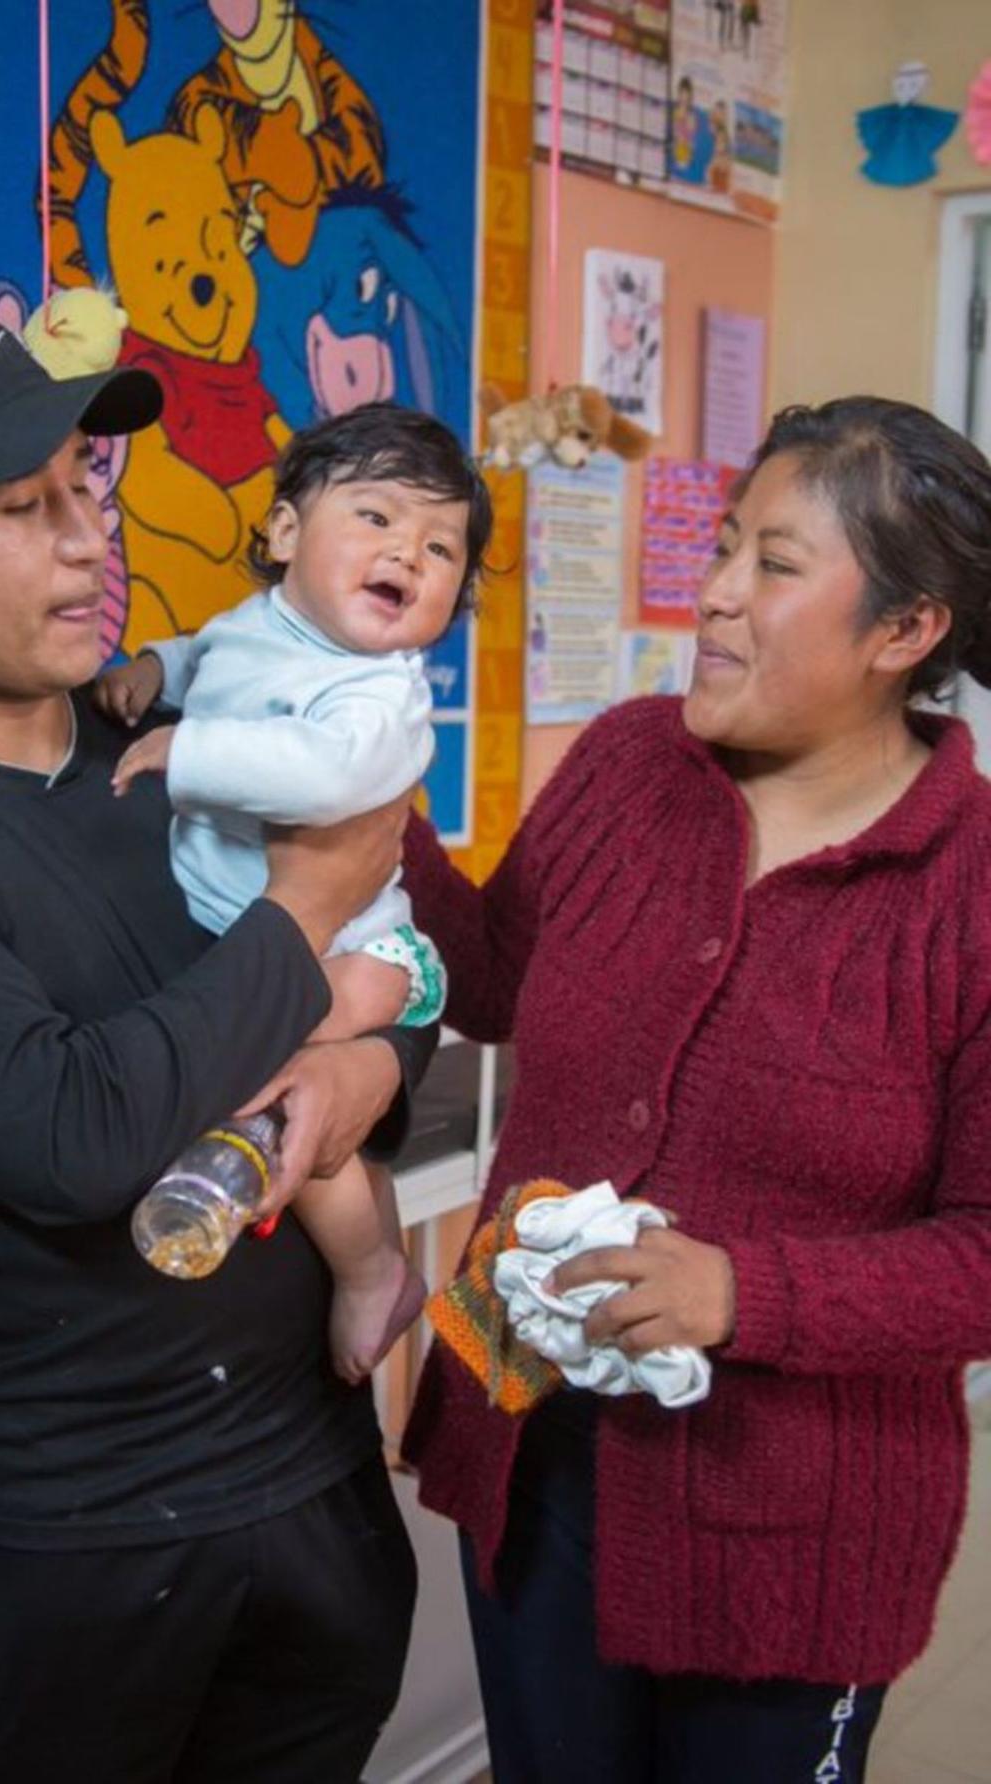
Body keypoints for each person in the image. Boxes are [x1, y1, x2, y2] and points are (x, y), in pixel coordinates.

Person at [0, 311, 435, 1784]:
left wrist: (361, 1068)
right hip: (69, 1531)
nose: (91, 538)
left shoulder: (189, 726)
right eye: (25, 510)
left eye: (86, 486)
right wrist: (307, 911)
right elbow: (73, 1135)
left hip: (311, 1480)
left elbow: (412, 972)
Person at [400, 396, 991, 1783]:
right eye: (723, 545)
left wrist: (743, 1295)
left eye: (774, 567)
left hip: (792, 1538)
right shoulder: (623, 763)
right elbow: (489, 979)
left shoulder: (971, 898)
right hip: (534, 1460)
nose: (714, 597)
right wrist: (370, 796)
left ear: (904, 633)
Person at [97, 404, 492, 1382]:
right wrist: (156, 667)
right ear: (282, 533)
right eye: (376, 517)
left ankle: (371, 1270)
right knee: (289, 1095)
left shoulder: (378, 697)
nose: (409, 549)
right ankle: (375, 1235)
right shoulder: (255, 633)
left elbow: (320, 776)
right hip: (283, 946)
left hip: (362, 953)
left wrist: (189, 749)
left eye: (441, 546)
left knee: (268, 1080)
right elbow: (206, 657)